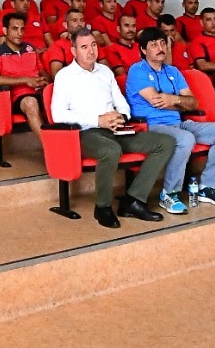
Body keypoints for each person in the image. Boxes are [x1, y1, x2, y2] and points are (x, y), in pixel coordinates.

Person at [50, 27, 174, 228]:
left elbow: (122, 104)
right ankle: (103, 207)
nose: (91, 51)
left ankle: (133, 200)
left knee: (165, 142)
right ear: (73, 51)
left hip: (115, 129)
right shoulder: (64, 76)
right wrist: (98, 120)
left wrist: (121, 116)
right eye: (84, 47)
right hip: (84, 133)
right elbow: (59, 115)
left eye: (93, 45)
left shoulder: (105, 72)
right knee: (110, 150)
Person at [126, 28, 215, 215]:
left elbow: (193, 103)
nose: (160, 48)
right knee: (185, 138)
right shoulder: (137, 70)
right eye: (153, 45)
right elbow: (157, 102)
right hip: (152, 125)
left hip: (178, 123)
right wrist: (180, 102)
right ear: (143, 50)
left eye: (162, 43)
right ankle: (169, 194)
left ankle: (208, 187)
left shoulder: (173, 71)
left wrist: (174, 99)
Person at [0, 13, 48, 134]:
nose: (20, 33)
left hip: (39, 92)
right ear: (5, 30)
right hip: (15, 98)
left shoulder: (30, 48)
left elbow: (42, 71)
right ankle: (50, 145)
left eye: (22, 29)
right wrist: (26, 80)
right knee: (30, 103)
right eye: (15, 29)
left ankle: (71, 141)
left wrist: (44, 80)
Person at [44, 8, 85, 76]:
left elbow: (103, 66)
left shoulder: (91, 42)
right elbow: (56, 75)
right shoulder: (58, 45)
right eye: (75, 20)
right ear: (65, 25)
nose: (80, 24)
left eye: (82, 20)